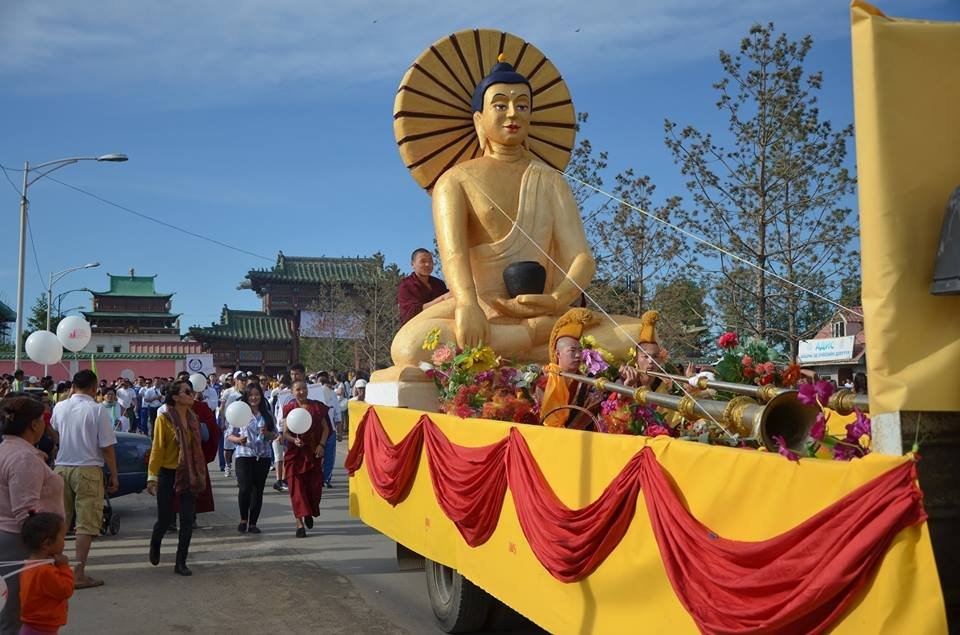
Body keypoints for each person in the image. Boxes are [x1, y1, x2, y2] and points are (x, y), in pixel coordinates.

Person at [388, 56, 647, 370]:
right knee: (409, 345)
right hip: (484, 307)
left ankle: (524, 348)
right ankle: (543, 344)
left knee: (637, 336)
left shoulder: (551, 180)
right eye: (500, 105)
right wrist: (468, 304)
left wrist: (556, 299)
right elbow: (453, 255)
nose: (513, 113)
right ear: (479, 120)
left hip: (544, 308)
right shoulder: (454, 181)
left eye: (522, 105)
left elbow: (581, 258)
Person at [0, 396, 65, 634]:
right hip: (20, 541)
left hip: (14, 539)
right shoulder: (23, 458)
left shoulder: (10, 449)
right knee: (15, 614)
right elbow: (26, 512)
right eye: (43, 419)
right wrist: (46, 548)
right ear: (34, 424)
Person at [50, 370, 118, 590]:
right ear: (94, 387)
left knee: (61, 521)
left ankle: (55, 570)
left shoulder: (60, 407)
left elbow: (54, 432)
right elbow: (107, 447)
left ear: (73, 386)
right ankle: (78, 574)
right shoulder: (96, 410)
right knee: (86, 525)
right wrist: (114, 474)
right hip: (88, 468)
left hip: (62, 468)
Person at [146, 380, 206, 576]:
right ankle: (155, 542)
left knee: (187, 520)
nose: (191, 394)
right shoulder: (163, 419)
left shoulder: (193, 417)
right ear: (175, 397)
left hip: (188, 472)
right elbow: (157, 449)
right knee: (165, 519)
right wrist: (152, 476)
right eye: (187, 391)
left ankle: (181, 562)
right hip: (168, 473)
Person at [227, 383, 277, 534]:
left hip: (263, 456)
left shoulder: (267, 414)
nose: (254, 398)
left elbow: (275, 434)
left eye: (257, 394)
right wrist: (238, 440)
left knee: (257, 490)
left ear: (261, 396)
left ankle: (253, 523)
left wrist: (267, 434)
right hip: (244, 455)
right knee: (244, 488)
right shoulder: (240, 412)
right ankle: (243, 519)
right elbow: (229, 435)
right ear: (246, 397)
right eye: (251, 395)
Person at [282, 380, 329, 538]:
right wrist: (293, 440)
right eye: (297, 389)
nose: (301, 392)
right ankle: (299, 524)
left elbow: (326, 429)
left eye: (303, 388)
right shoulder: (289, 409)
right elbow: (285, 433)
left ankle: (308, 512)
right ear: (292, 392)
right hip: (294, 455)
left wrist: (322, 445)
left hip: (313, 453)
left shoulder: (317, 407)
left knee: (314, 488)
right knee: (296, 490)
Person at [18, 512, 73, 635]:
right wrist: (64, 567)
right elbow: (65, 590)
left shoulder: (31, 564)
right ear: (47, 544)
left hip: (34, 627)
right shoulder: (44, 570)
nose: (64, 542)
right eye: (63, 538)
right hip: (41, 629)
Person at [398, 248, 450, 325]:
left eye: (430, 261)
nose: (428, 264)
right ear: (412, 264)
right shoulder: (406, 285)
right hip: (416, 327)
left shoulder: (439, 284)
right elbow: (412, 312)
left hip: (439, 324)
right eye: (423, 261)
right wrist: (442, 298)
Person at [219, 371, 247, 477]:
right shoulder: (229, 393)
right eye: (241, 380)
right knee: (228, 448)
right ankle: (228, 465)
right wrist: (222, 422)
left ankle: (241, 468)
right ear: (236, 381)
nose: (243, 382)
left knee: (242, 445)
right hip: (230, 423)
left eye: (245, 380)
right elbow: (222, 408)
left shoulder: (248, 393)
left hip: (244, 423)